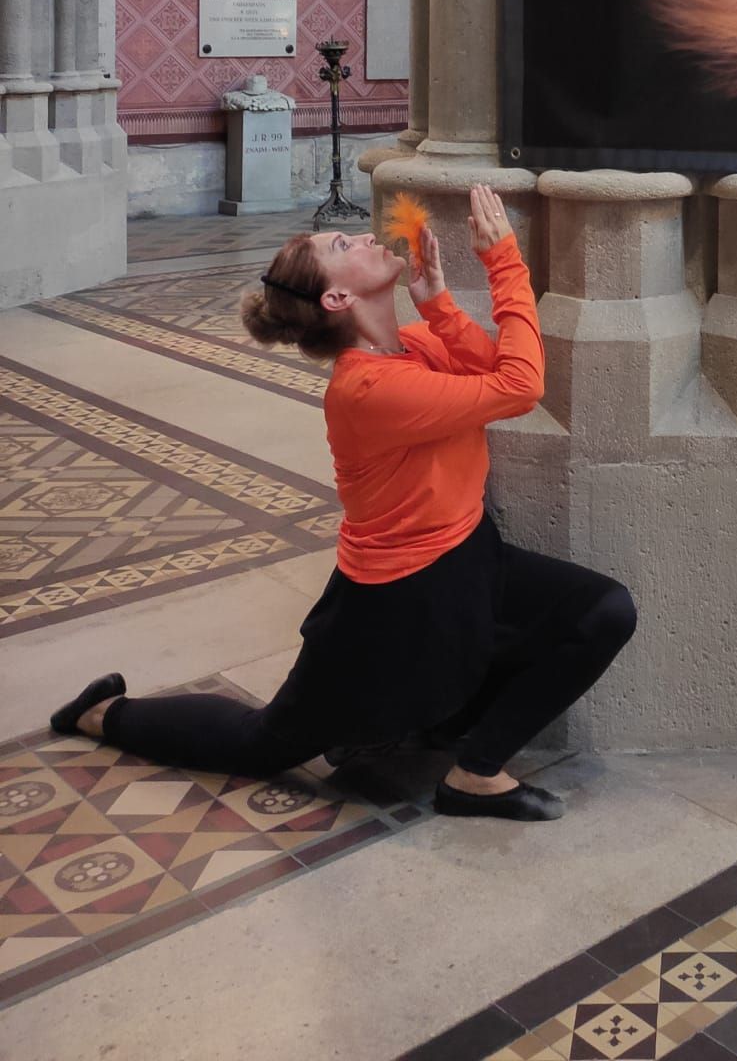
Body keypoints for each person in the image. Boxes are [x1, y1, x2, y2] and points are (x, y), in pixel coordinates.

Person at [50, 186, 636, 822]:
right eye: (341, 244)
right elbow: (522, 386)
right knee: (265, 743)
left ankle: (473, 771)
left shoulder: (410, 346)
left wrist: (439, 305)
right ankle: (104, 712)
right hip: (394, 601)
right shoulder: (366, 389)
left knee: (602, 612)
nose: (360, 235)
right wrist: (504, 262)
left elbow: (489, 367)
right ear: (337, 298)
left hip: (468, 552)